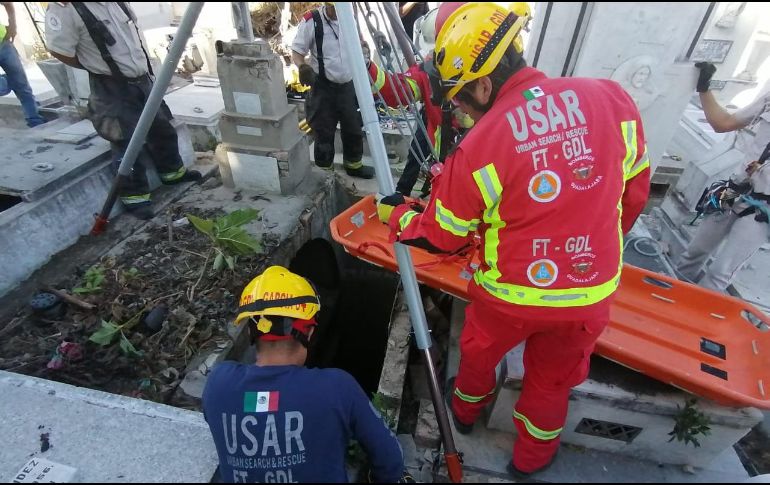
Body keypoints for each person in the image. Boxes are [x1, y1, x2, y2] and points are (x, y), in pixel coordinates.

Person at [376, 2, 650, 478]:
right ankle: (532, 460)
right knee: (552, 383)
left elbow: (441, 236)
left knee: (479, 353)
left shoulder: (482, 145)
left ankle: (463, 414)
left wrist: (399, 217)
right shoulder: (612, 100)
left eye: (459, 98)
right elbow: (634, 193)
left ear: (483, 84)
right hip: (590, 293)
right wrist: (598, 240)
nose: (457, 109)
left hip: (510, 294)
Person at [202, 266, 405, 483]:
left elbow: (261, 407)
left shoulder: (219, 384)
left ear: (252, 330)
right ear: (308, 331)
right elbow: (390, 461)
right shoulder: (337, 388)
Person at [44, 2, 200, 220]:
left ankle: (173, 173)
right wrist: (93, 63)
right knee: (125, 140)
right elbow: (60, 50)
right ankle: (136, 199)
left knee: (161, 128)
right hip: (110, 86)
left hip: (142, 79)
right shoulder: (68, 8)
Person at [676, 62, 770, 292]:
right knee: (693, 252)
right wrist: (704, 87)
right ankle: (668, 295)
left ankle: (692, 316)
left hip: (764, 208)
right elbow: (723, 123)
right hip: (734, 188)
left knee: (720, 273)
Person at [367, 2, 474, 196]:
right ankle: (403, 192)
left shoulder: (491, 77)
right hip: (440, 147)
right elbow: (398, 91)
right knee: (417, 155)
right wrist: (368, 67)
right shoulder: (430, 70)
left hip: (473, 162)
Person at [291, 3, 374, 179]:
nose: (337, 12)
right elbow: (297, 52)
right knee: (323, 133)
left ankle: (354, 165)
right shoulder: (312, 21)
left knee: (353, 129)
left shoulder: (350, 19)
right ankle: (325, 174)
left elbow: (359, 43)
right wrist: (303, 67)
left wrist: (364, 53)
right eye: (333, 8)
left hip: (348, 86)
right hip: (323, 88)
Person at [0, 2, 46, 127]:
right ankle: (8, 80)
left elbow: (8, 3)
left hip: (4, 44)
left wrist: (13, 26)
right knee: (15, 83)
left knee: (23, 87)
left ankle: (34, 120)